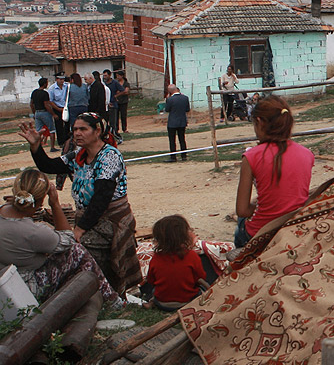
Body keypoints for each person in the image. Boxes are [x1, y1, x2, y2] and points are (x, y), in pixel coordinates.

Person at [18, 112, 141, 295]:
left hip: (111, 221)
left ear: (97, 131)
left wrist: (80, 229)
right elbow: (49, 167)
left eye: (83, 129)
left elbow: (102, 197)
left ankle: (105, 294)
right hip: (91, 218)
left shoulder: (109, 156)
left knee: (78, 248)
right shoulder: (78, 156)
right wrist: (36, 147)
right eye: (75, 129)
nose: (77, 133)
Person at [0, 169, 123, 307]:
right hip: (24, 287)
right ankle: (113, 301)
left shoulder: (3, 213)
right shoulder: (32, 232)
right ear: (40, 202)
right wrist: (55, 204)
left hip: (6, 280)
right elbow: (68, 239)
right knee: (76, 252)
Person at [234, 95, 314, 248]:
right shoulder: (307, 154)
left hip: (261, 233)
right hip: (294, 227)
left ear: (259, 122)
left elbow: (242, 210)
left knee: (241, 224)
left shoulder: (251, 156)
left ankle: (240, 256)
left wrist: (257, 208)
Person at [143, 215, 204, 311]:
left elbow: (151, 280)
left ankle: (151, 302)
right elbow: (200, 277)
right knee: (202, 291)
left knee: (155, 290)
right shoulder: (192, 256)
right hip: (187, 301)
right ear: (184, 236)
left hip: (162, 303)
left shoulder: (156, 258)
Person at [30, 77, 57, 151]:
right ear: (45, 84)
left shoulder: (34, 92)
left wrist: (34, 113)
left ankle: (38, 147)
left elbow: (31, 104)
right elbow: (46, 105)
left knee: (38, 131)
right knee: (51, 130)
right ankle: (52, 147)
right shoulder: (45, 93)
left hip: (37, 112)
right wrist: (53, 114)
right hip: (44, 112)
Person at [165, 84, 190, 162]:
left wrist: (167, 99)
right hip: (182, 121)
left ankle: (173, 157)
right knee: (182, 139)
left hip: (172, 122)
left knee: (172, 140)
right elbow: (187, 109)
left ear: (170, 91)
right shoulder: (185, 98)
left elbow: (167, 109)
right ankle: (184, 156)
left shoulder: (170, 100)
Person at [48, 72, 70, 147]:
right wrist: (58, 109)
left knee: (67, 124)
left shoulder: (67, 86)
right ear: (56, 79)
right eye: (60, 79)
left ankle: (68, 140)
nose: (62, 81)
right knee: (59, 126)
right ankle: (61, 142)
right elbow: (51, 101)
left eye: (63, 79)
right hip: (57, 108)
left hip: (66, 108)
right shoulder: (52, 88)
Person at [102, 69, 122, 140]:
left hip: (113, 105)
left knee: (113, 123)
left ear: (109, 75)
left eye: (106, 75)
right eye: (103, 75)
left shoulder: (115, 83)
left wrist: (116, 96)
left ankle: (116, 136)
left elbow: (122, 90)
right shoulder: (103, 83)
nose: (104, 77)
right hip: (106, 106)